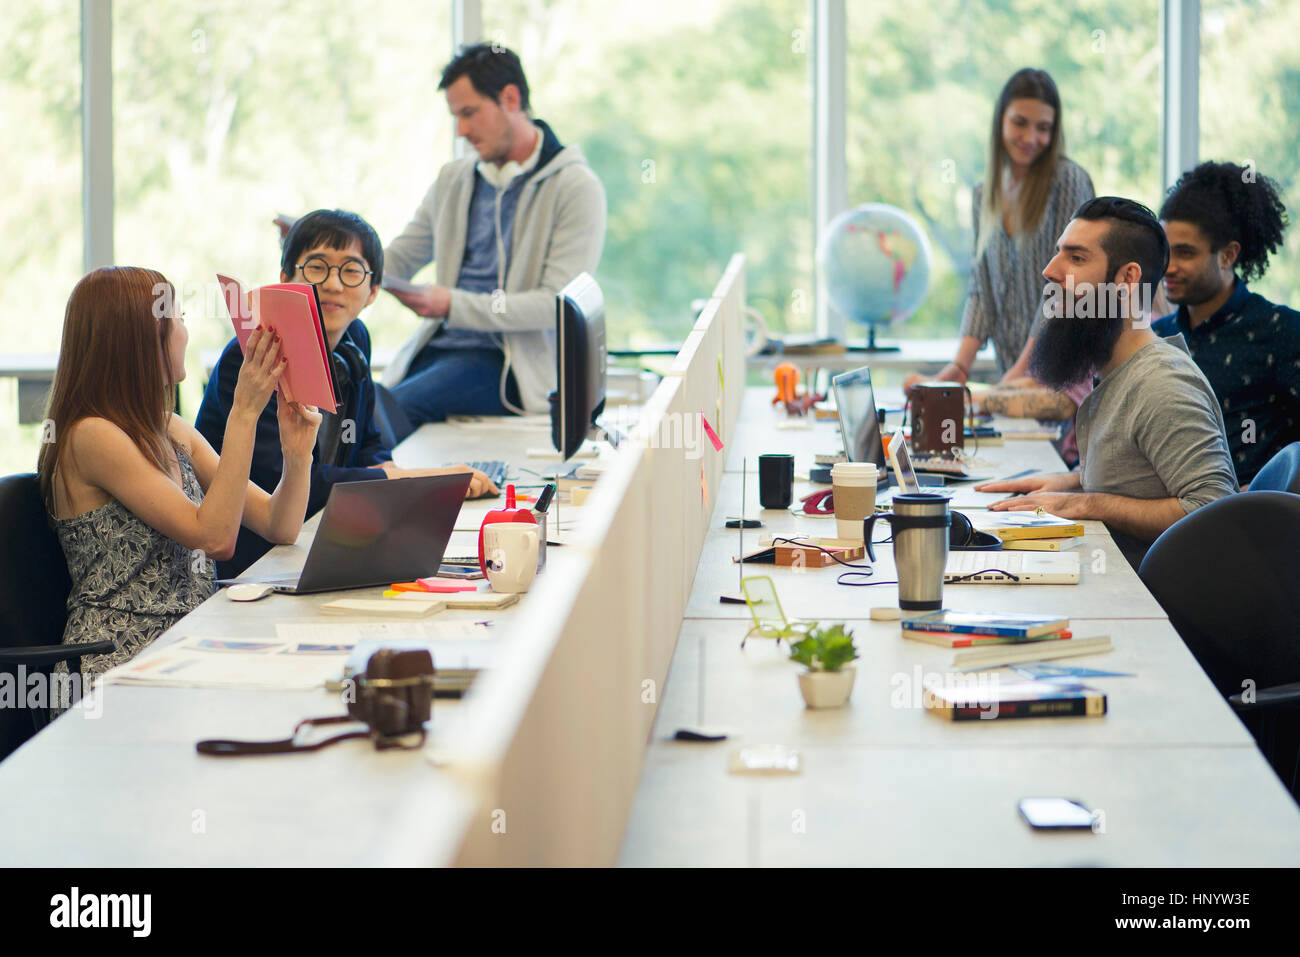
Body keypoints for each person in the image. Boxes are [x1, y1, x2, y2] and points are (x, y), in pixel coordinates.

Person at [37, 266, 319, 707]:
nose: (186, 333)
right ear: (139, 340)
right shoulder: (91, 435)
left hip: (188, 646)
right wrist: (243, 411)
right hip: (119, 663)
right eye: (180, 320)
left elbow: (277, 525)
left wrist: (297, 455)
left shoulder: (170, 429)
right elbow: (215, 537)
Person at [197, 209, 499, 577]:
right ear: (285, 278)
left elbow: (368, 443)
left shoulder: (355, 339)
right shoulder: (252, 356)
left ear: (373, 292)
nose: (334, 285)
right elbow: (281, 483)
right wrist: (416, 480)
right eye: (316, 267)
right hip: (251, 563)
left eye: (351, 271)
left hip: (326, 539)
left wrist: (390, 473)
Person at [975, 197, 1239, 570]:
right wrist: (1072, 483)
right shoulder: (1116, 369)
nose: (1051, 271)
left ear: (1127, 279)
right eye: (1057, 254)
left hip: (1152, 607)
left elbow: (1212, 512)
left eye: (1076, 258)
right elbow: (1140, 479)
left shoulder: (1161, 383)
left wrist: (1085, 502)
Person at [381, 42, 607, 427]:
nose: (462, 130)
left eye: (470, 113)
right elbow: (398, 258)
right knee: (358, 404)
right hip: (439, 349)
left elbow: (555, 305)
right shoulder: (454, 179)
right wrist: (335, 257)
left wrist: (452, 305)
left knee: (385, 414)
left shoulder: (576, 188)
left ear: (510, 98)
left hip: (505, 366)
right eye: (456, 117)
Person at [904, 68, 1094, 392]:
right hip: (1014, 374)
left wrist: (1020, 373)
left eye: (1043, 128)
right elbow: (982, 289)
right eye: (1020, 122)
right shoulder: (983, 196)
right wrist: (959, 366)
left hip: (1060, 376)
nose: (1031, 138)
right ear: (1000, 121)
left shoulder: (1067, 181)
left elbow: (1064, 286)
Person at [1152, 161, 1300, 486]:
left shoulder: (1282, 331)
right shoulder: (1157, 337)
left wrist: (1265, 490)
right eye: (1164, 252)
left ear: (1228, 255)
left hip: (1247, 525)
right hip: (1155, 515)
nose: (1168, 267)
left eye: (1185, 253)